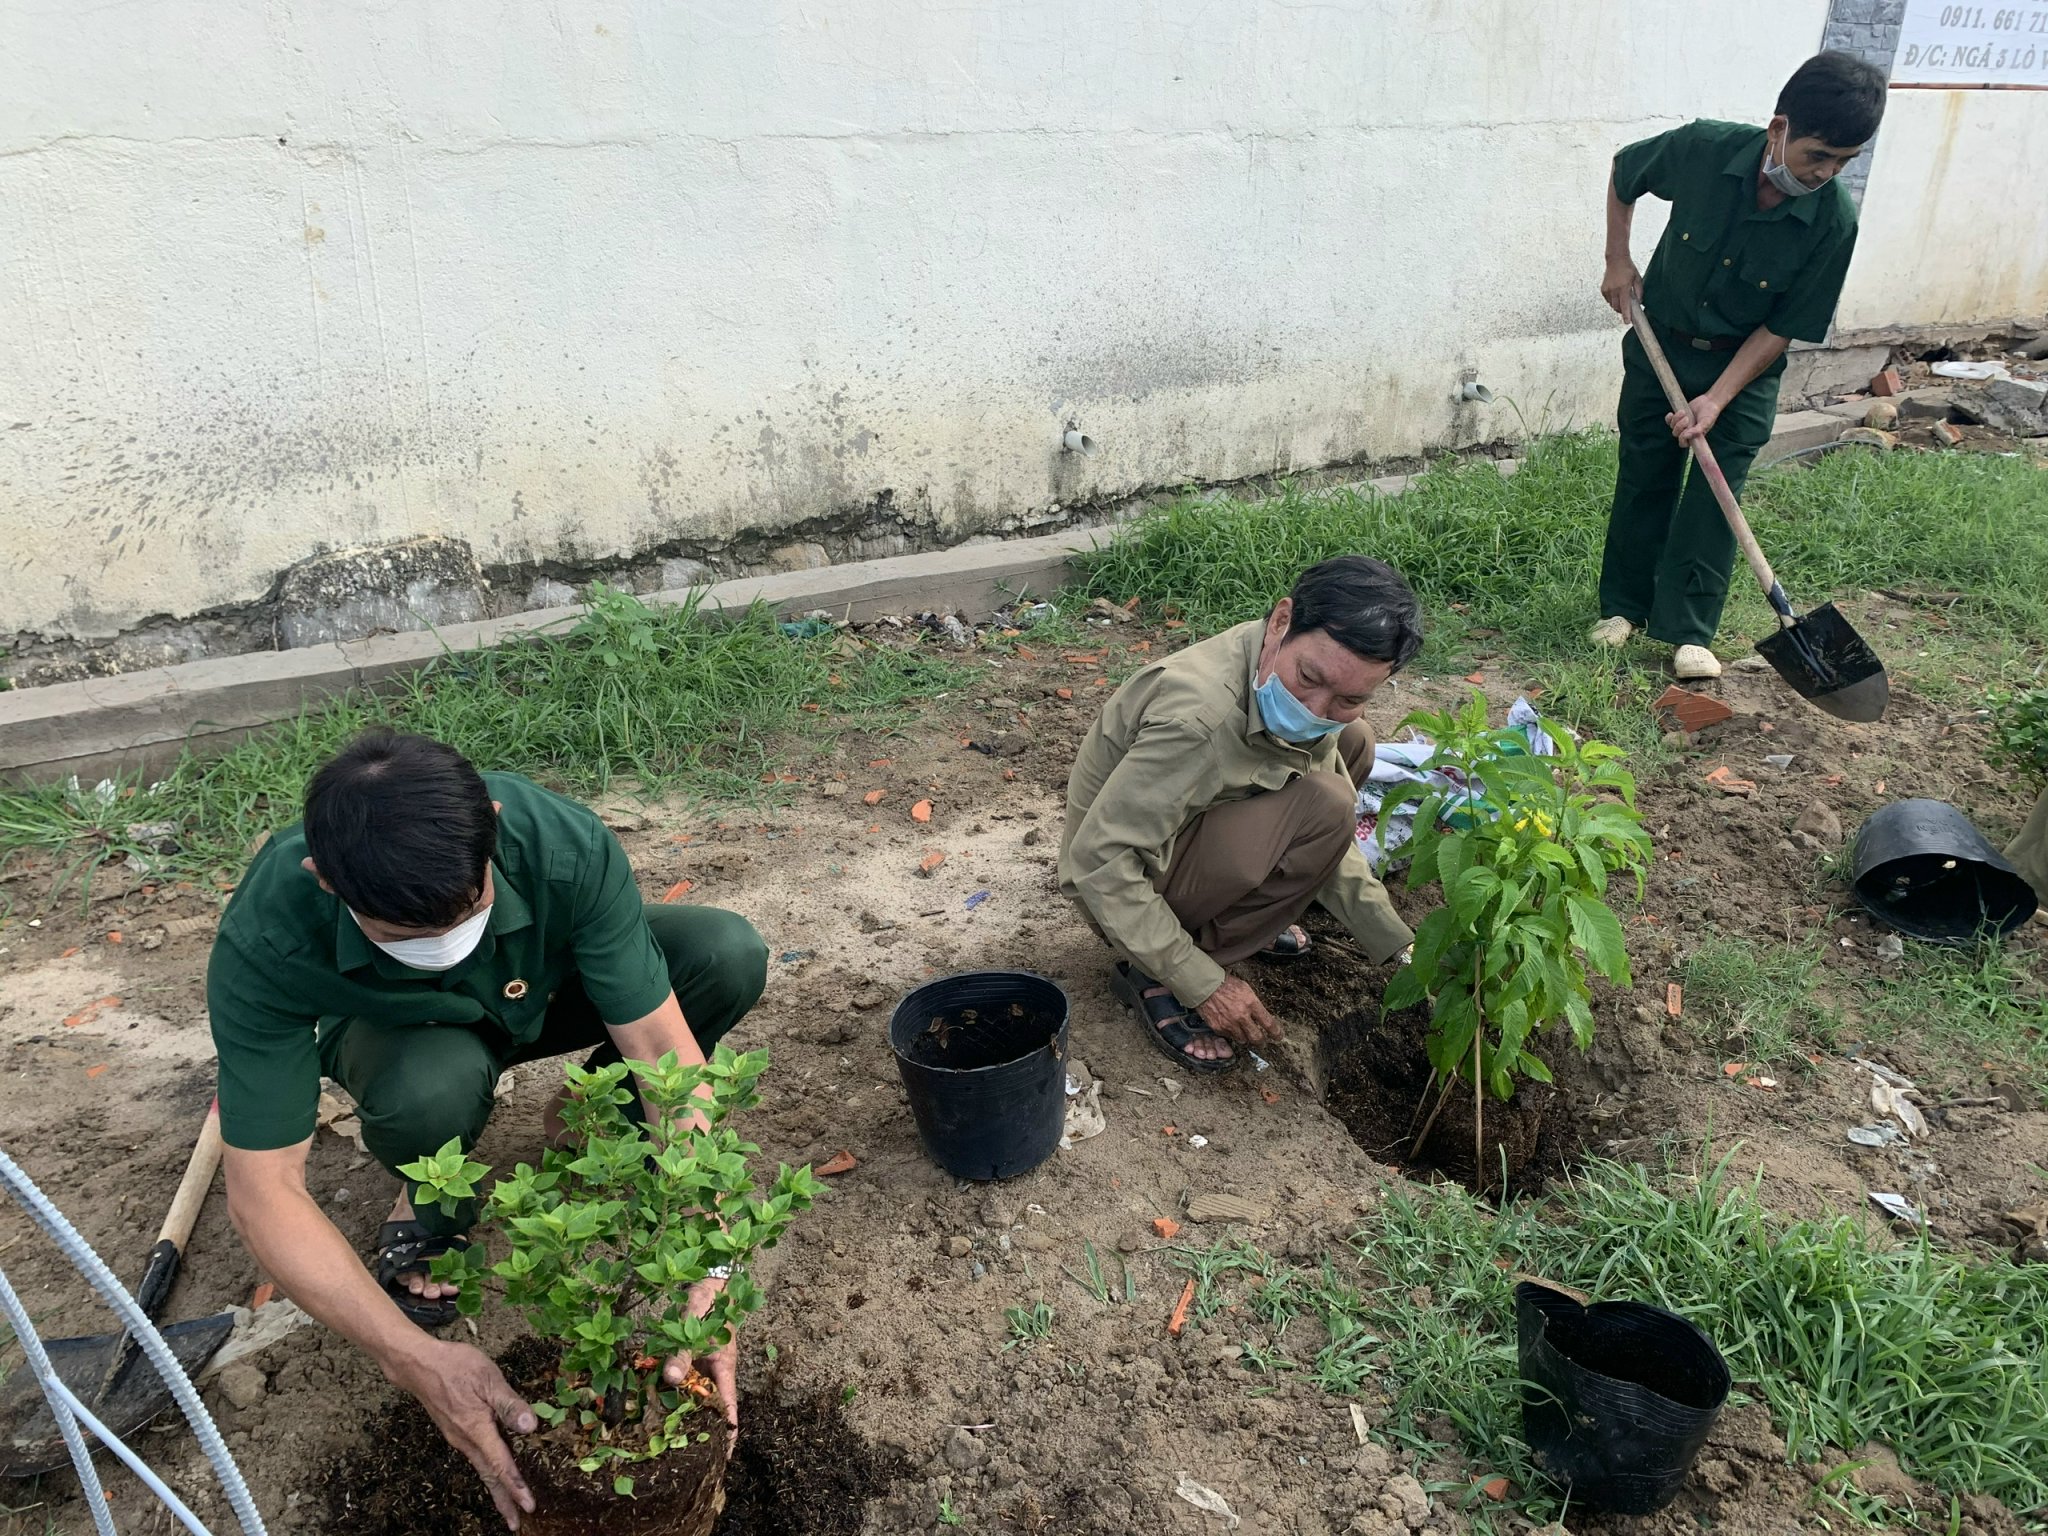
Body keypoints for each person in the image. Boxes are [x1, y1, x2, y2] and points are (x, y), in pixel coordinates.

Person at [207, 730, 768, 1530]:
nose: (441, 944)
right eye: (405, 933)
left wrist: (712, 1245)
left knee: (724, 952)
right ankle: (428, 1201)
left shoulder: (561, 843)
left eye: (467, 911)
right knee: (428, 1100)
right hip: (404, 1034)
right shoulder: (266, 934)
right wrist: (414, 1360)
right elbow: (263, 1192)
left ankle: (585, 1115)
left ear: (494, 830)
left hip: (536, 985)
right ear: (325, 880)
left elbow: (659, 1050)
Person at [1059, 557, 1422, 1072]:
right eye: (1309, 677)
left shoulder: (1274, 666)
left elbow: (1329, 813)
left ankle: (1235, 915)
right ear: (1281, 621)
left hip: (1191, 832)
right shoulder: (1197, 720)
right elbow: (1097, 862)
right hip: (1119, 885)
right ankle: (1160, 968)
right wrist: (1203, 983)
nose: (1317, 709)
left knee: (1354, 741)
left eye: (1350, 696)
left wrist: (1397, 943)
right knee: (1328, 805)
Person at [1593, 51, 1887, 680]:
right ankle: (1622, 610)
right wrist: (1618, 260)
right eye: (1817, 155)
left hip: (1745, 371)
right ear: (1779, 129)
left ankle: (1688, 632)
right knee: (1645, 473)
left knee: (1715, 496)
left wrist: (1718, 399)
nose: (1826, 172)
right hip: (1660, 346)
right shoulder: (1703, 149)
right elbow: (1625, 173)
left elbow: (1783, 326)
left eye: (1844, 162)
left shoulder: (1834, 219)